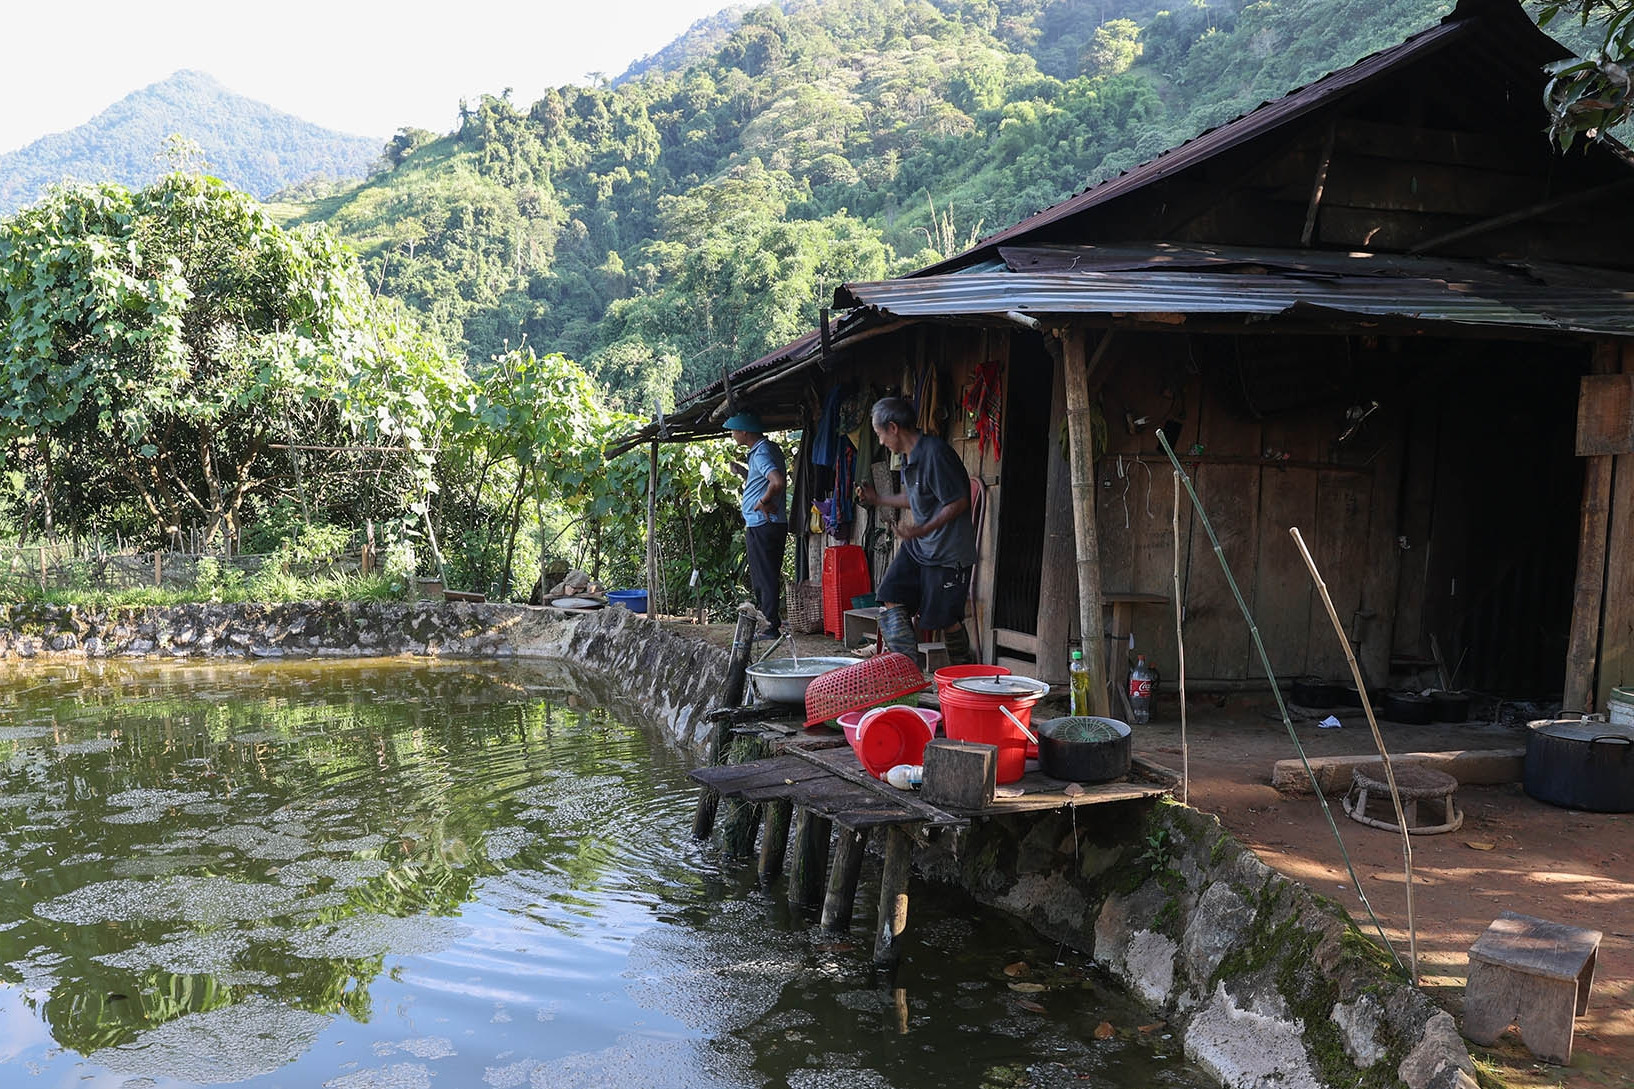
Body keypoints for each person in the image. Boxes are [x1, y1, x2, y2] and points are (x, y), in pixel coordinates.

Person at [854, 396, 977, 666]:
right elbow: (914, 498)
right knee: (890, 595)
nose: (881, 442)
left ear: (893, 428)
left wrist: (923, 528)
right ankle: (907, 671)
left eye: (880, 434)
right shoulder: (911, 458)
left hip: (948, 552)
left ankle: (964, 673)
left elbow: (959, 502)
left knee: (945, 619)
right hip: (922, 548)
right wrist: (879, 499)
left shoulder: (935, 453)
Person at [724, 411, 788, 641]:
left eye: (734, 431)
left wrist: (762, 502)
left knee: (764, 576)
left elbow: (777, 481)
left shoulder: (761, 453)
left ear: (744, 431)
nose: (732, 435)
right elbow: (765, 479)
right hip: (772, 523)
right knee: (767, 573)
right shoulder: (768, 450)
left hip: (763, 523)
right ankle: (770, 622)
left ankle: (769, 626)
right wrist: (743, 473)